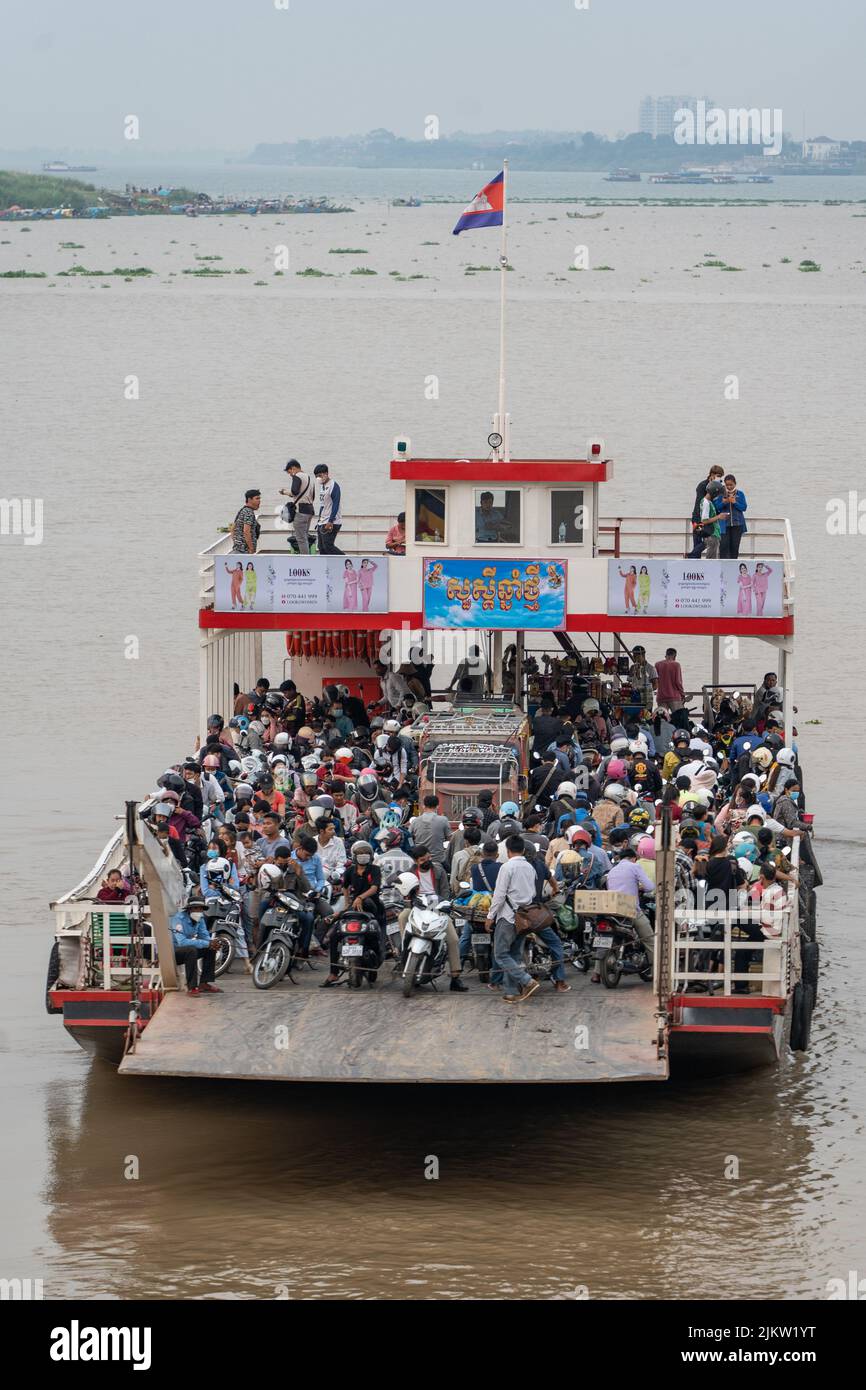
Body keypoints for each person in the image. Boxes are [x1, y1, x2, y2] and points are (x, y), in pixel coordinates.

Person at [486, 835, 540, 1004]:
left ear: (508, 851)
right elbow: (532, 893)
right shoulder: (529, 868)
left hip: (508, 917)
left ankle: (527, 981)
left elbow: (499, 895)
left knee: (501, 954)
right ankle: (510, 992)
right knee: (514, 955)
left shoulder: (507, 867)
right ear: (523, 850)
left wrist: (490, 916)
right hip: (524, 917)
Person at [606, 845, 655, 969]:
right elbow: (649, 887)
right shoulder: (634, 867)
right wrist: (640, 887)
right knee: (649, 939)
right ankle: (656, 970)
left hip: (612, 910)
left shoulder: (613, 870)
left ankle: (596, 973)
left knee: (606, 941)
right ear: (633, 858)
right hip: (630, 910)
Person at [170, 894, 221, 996]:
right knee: (191, 950)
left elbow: (204, 935)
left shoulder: (200, 919)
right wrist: (206, 943)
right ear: (190, 909)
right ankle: (192, 987)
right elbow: (182, 942)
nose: (199, 911)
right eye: (196, 908)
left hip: (188, 950)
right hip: (174, 952)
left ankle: (204, 983)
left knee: (210, 948)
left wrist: (211, 943)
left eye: (201, 909)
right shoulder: (178, 919)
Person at [280, 459, 316, 554]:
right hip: (310, 510)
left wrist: (285, 492)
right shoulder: (309, 478)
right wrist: (286, 493)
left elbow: (295, 491)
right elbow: (313, 496)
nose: (290, 475)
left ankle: (305, 561)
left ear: (294, 468)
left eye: (290, 472)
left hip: (301, 511)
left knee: (301, 538)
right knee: (304, 536)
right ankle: (307, 558)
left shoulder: (297, 476)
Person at [689, 464, 724, 557]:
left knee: (709, 540)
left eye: (721, 476)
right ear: (712, 474)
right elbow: (700, 503)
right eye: (718, 476)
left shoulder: (718, 486)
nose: (719, 478)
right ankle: (692, 558)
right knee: (698, 540)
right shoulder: (702, 485)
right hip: (697, 518)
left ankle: (691, 556)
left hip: (708, 519)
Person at [717, 473, 748, 559]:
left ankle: (733, 567)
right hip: (724, 525)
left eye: (731, 485)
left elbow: (744, 507)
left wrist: (735, 502)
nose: (729, 487)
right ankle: (723, 567)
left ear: (735, 483)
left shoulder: (740, 494)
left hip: (737, 525)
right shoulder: (721, 494)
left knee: (734, 547)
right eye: (727, 485)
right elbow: (717, 507)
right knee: (723, 546)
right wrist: (724, 502)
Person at [313, 464, 343, 554]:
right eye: (316, 476)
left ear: (326, 473)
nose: (318, 478)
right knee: (321, 547)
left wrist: (330, 521)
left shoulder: (333, 485)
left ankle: (347, 560)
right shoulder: (322, 486)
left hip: (332, 521)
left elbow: (336, 504)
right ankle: (325, 567)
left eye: (320, 475)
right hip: (322, 521)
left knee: (328, 545)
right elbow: (323, 505)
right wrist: (319, 520)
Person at [697, 479, 724, 560]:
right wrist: (719, 517)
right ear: (714, 492)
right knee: (711, 559)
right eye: (717, 494)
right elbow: (704, 520)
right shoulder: (706, 503)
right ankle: (710, 572)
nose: (717, 496)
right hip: (711, 534)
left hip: (714, 533)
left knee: (713, 557)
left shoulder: (708, 502)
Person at [627, 646, 657, 710]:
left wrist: (644, 689)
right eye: (633, 656)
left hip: (646, 699)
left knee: (646, 717)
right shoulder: (632, 667)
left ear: (643, 655)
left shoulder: (651, 668)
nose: (634, 658)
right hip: (634, 697)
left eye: (636, 656)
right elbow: (629, 681)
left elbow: (655, 685)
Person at [232, 489, 261, 554]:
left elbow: (232, 529)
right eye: (257, 498)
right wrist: (251, 548)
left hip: (237, 549)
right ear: (249, 500)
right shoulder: (249, 512)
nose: (259, 501)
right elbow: (246, 531)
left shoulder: (242, 510)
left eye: (259, 499)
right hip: (244, 551)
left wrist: (237, 543)